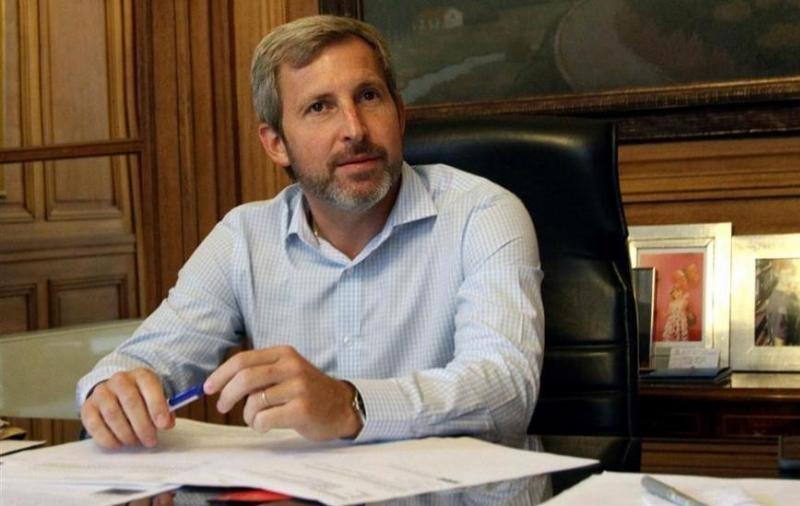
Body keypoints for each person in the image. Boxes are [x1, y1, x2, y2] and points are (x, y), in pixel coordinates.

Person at [77, 15, 544, 449]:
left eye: (368, 96)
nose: (354, 129)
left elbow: (506, 389)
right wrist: (112, 390)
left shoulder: (481, 213)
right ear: (276, 144)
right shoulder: (244, 238)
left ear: (399, 115)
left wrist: (349, 404)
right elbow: (145, 360)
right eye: (320, 107)